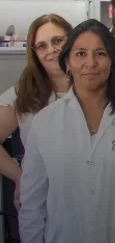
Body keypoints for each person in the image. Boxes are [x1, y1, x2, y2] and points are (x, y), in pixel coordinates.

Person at [18, 19, 115, 243]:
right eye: (81, 54)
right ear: (67, 63)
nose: (91, 63)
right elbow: (32, 203)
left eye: (100, 54)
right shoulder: (45, 122)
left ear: (112, 61)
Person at [0, 14, 73, 208]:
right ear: (34, 54)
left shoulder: (93, 87)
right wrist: (19, 177)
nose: (51, 50)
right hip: (40, 195)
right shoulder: (23, 93)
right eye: (42, 46)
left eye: (57, 40)